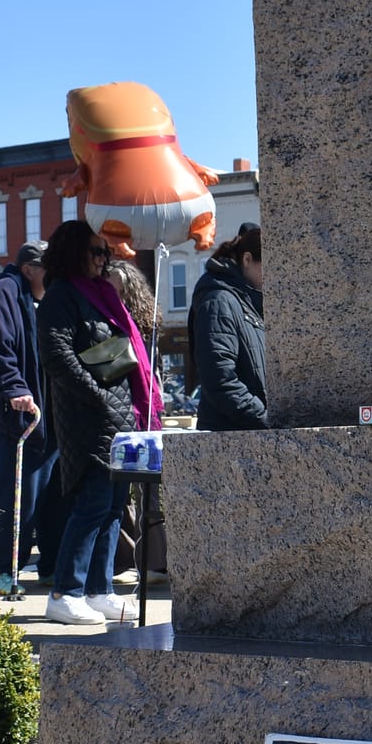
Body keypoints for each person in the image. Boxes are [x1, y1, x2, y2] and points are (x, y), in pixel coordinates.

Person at [37, 220, 161, 625]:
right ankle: (65, 592)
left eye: (105, 252)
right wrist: (99, 396)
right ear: (74, 252)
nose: (103, 259)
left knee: (111, 507)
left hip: (120, 415)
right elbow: (57, 355)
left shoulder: (102, 294)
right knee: (91, 504)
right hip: (90, 417)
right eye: (95, 251)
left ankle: (99, 588)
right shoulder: (61, 295)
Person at [0, 242, 61, 595]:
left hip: (51, 417)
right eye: (49, 270)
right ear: (30, 269)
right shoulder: (6, 292)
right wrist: (14, 388)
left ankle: (51, 566)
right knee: (17, 498)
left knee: (53, 497)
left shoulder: (48, 300)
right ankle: (3, 570)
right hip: (14, 419)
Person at [108, 255, 169, 583]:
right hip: (124, 410)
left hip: (144, 411)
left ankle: (153, 560)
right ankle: (127, 558)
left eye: (118, 289)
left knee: (148, 491)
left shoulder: (145, 326)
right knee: (121, 490)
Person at [188, 223, 267, 431]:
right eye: (268, 267)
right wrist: (266, 417)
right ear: (247, 259)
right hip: (229, 435)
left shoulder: (249, 303)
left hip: (247, 431)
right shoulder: (219, 301)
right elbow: (220, 380)